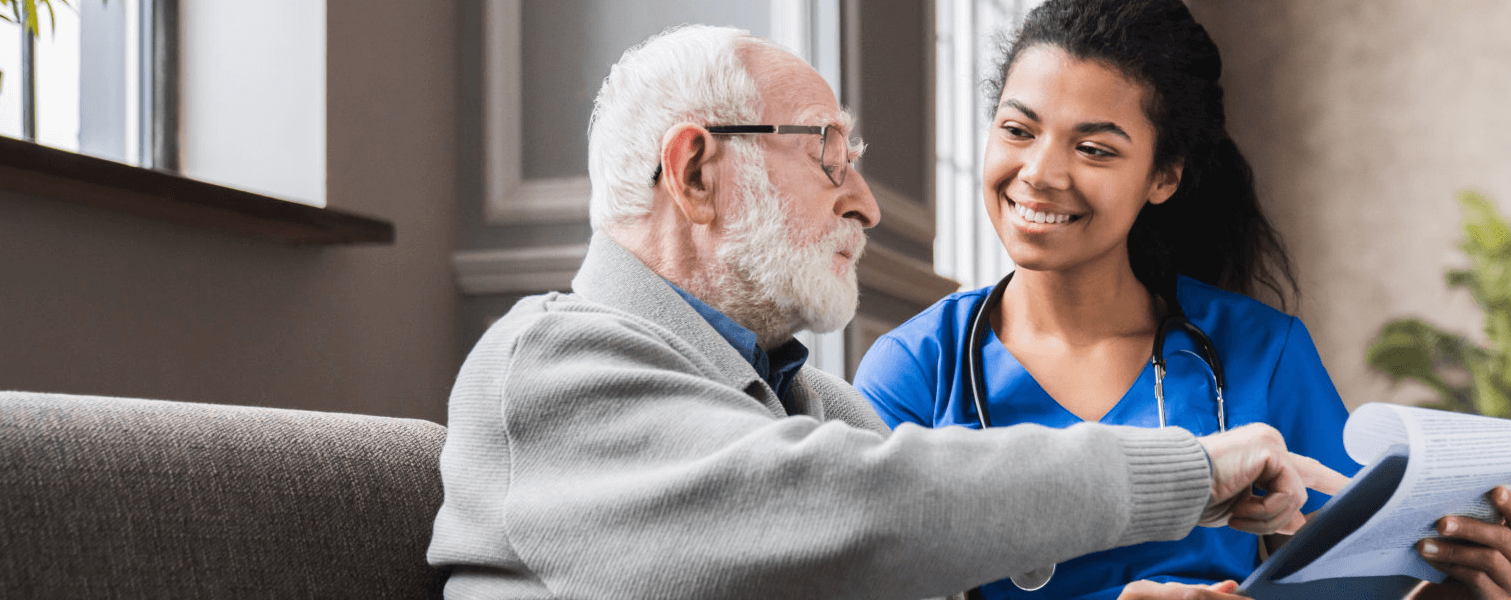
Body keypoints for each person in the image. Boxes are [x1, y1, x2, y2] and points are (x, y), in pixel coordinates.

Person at [427, 24, 1348, 600]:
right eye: (828, 154)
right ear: (696, 171)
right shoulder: (552, 368)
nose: (865, 201)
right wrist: (1191, 472)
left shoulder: (814, 408)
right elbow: (854, 510)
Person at [853, 1, 1511, 599]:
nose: (1039, 174)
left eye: (1093, 148)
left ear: (1164, 177)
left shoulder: (1259, 353)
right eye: (1017, 129)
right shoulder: (915, 369)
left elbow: (1344, 588)